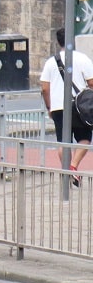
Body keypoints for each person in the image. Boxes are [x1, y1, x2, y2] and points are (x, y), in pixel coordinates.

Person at [38, 28, 92, 183]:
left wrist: (49, 107)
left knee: (63, 141)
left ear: (58, 42)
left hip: (57, 106)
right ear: (72, 41)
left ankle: (68, 170)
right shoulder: (83, 59)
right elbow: (92, 82)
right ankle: (73, 167)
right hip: (79, 107)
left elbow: (44, 88)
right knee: (85, 138)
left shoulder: (50, 62)